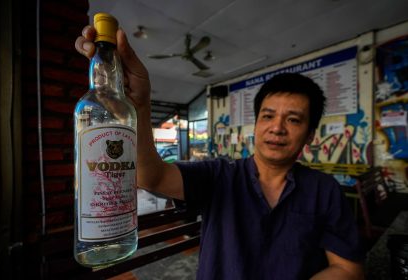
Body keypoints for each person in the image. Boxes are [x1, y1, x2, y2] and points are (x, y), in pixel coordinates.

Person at [75, 26, 365, 279]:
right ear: (256, 124)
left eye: (293, 119)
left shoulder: (325, 190)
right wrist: (139, 107)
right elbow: (152, 177)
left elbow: (348, 269)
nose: (277, 128)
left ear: (310, 134)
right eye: (267, 116)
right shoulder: (219, 175)